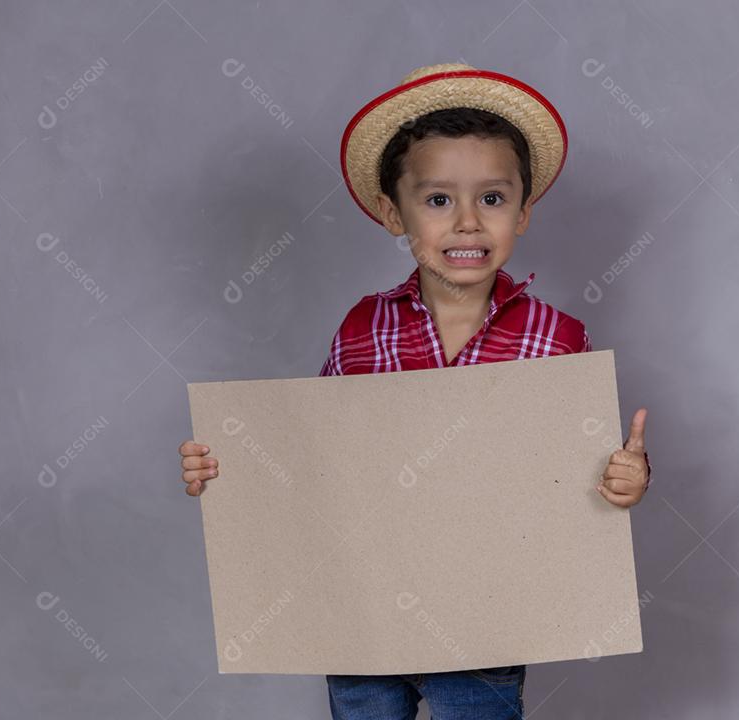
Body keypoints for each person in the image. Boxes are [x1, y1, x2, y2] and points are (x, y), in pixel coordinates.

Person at [178, 62, 652, 720]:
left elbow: (579, 484)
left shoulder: (557, 338)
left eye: (492, 198)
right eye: (437, 200)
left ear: (524, 211)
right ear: (390, 211)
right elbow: (313, 464)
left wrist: (627, 478)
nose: (466, 222)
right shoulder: (362, 328)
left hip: (489, 617)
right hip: (364, 612)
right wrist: (228, 471)